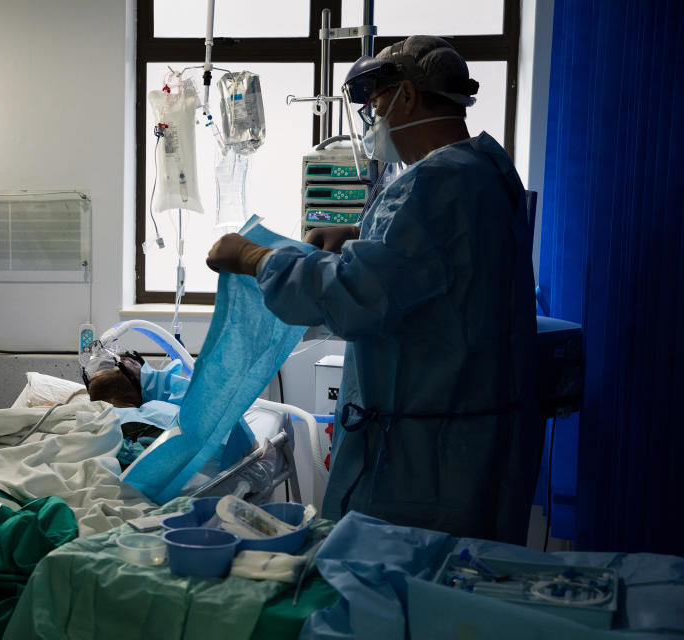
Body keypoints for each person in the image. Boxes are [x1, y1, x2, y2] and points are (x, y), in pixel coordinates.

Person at [206, 36, 540, 543]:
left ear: (407, 96)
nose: (372, 114)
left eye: (377, 100)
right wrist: (362, 236)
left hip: (423, 460)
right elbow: (440, 265)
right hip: (473, 438)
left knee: (392, 599)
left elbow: (352, 298)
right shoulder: (485, 172)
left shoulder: (434, 182)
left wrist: (255, 259)